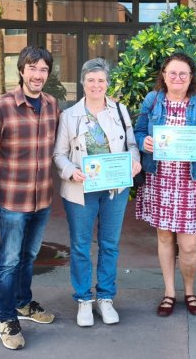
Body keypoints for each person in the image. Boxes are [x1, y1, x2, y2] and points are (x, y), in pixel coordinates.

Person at [0, 46, 60, 350]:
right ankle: (7, 319)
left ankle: (24, 303)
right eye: (32, 68)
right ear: (22, 70)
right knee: (9, 261)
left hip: (42, 199)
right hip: (11, 200)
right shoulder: (2, 106)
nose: (38, 75)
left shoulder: (52, 105)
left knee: (29, 257)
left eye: (43, 69)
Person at [53, 58, 142, 327]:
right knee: (81, 246)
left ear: (107, 83)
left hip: (114, 188)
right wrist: (71, 171)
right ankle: (83, 299)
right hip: (81, 189)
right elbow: (59, 154)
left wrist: (135, 161)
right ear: (82, 82)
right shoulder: (69, 116)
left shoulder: (120, 111)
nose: (96, 85)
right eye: (91, 80)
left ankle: (105, 297)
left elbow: (132, 145)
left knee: (110, 244)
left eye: (101, 80)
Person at [134, 52, 196, 317]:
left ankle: (190, 291)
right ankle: (169, 292)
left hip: (189, 181)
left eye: (183, 73)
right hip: (160, 178)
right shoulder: (153, 100)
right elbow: (138, 131)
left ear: (191, 77)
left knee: (189, 244)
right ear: (163, 75)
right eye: (172, 73)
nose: (177, 78)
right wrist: (144, 142)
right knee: (164, 237)